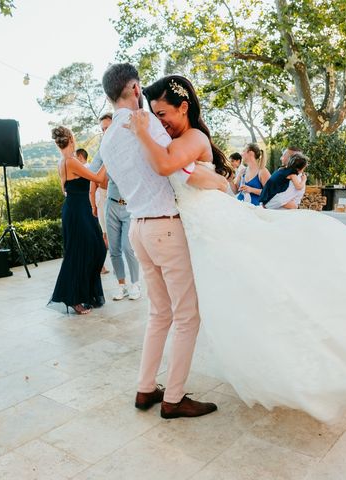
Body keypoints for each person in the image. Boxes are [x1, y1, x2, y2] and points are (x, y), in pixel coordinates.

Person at [126, 74, 346, 423]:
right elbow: (192, 175)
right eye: (153, 113)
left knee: (272, 280)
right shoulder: (172, 138)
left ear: (184, 107)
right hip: (199, 228)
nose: (158, 121)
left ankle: (311, 354)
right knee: (240, 294)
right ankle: (171, 388)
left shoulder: (192, 137)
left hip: (214, 222)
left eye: (162, 113)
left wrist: (144, 134)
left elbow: (175, 169)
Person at [99, 65, 220, 419]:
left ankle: (145, 388)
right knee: (187, 317)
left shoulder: (106, 138)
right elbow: (175, 169)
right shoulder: (145, 122)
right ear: (135, 88)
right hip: (166, 227)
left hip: (138, 227)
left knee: (159, 313)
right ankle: (174, 398)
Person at [49, 127, 107, 315]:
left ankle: (86, 294)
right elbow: (97, 178)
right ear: (72, 139)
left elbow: (64, 190)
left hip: (76, 208)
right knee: (81, 252)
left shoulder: (62, 162)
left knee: (95, 248)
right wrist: (108, 156)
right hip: (78, 211)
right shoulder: (71, 161)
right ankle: (74, 299)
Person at [88, 112, 141, 301]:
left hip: (129, 207)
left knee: (128, 248)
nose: (105, 132)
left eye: (107, 128)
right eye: (102, 130)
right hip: (110, 204)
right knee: (115, 249)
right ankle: (121, 285)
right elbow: (92, 170)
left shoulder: (130, 145)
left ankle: (135, 284)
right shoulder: (103, 150)